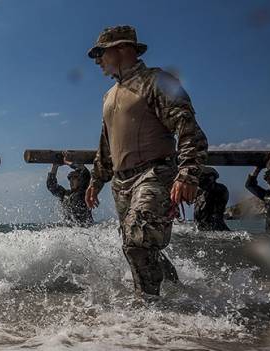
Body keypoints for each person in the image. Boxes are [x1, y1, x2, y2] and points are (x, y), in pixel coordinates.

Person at [84, 25, 208, 297]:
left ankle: (148, 311)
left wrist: (187, 172)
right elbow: (107, 145)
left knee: (137, 242)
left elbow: (187, 126)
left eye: (101, 53)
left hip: (155, 173)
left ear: (122, 49)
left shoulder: (155, 81)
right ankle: (180, 295)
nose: (97, 61)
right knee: (137, 243)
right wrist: (96, 180)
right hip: (121, 182)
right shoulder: (109, 95)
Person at [47, 152, 93, 227]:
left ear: (80, 180)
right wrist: (55, 166)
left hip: (85, 230)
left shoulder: (83, 192)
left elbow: (85, 172)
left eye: (74, 178)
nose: (71, 181)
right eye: (70, 179)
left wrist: (67, 162)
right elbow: (51, 185)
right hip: (70, 232)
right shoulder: (65, 194)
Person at [194, 167, 230, 231]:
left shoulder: (220, 189)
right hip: (200, 229)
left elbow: (216, 214)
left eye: (204, 177)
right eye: (200, 177)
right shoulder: (198, 192)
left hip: (216, 229)